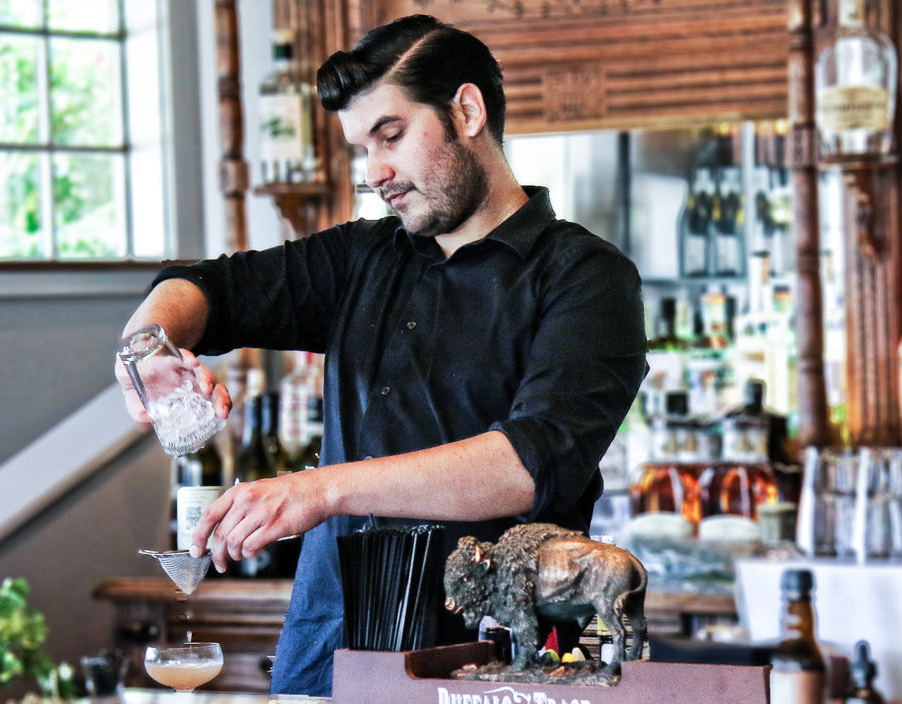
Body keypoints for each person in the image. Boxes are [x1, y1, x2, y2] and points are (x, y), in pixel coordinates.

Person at [115, 14, 646, 696]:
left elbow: (526, 463)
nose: (376, 173)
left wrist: (322, 488)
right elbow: (206, 288)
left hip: (493, 658)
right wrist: (146, 349)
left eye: (391, 136)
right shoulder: (361, 257)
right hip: (325, 654)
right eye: (361, 148)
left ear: (467, 110)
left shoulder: (586, 277)